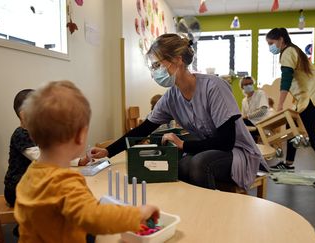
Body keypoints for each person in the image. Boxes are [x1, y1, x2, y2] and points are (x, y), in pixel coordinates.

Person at [97, 33, 266, 191]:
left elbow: (226, 141)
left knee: (199, 164)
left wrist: (183, 144)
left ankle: (213, 213)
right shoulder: (171, 97)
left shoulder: (213, 87)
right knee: (182, 164)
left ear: (177, 60)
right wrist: (108, 152)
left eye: (157, 65)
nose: (154, 72)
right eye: (153, 67)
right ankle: (193, 208)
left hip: (237, 153)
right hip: (210, 150)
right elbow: (144, 129)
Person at [15, 81, 159, 242]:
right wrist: (138, 214)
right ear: (80, 136)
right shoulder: (64, 183)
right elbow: (95, 218)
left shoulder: (29, 175)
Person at [266, 27, 315, 187]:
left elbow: (286, 80)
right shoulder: (293, 50)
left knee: (309, 132)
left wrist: (279, 105)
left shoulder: (287, 52)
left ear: (280, 39)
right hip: (307, 96)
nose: (270, 47)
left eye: (271, 43)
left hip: (310, 96)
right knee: (291, 125)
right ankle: (288, 163)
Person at [4, 89, 98, 208]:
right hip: (16, 189)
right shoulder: (21, 135)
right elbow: (44, 157)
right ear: (23, 115)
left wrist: (79, 161)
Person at [240, 76, 270, 141]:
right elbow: (243, 116)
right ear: (242, 87)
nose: (249, 86)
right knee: (238, 123)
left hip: (262, 124)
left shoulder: (260, 93)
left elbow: (263, 111)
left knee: (242, 123)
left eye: (250, 84)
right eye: (246, 84)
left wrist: (247, 116)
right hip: (252, 126)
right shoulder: (244, 101)